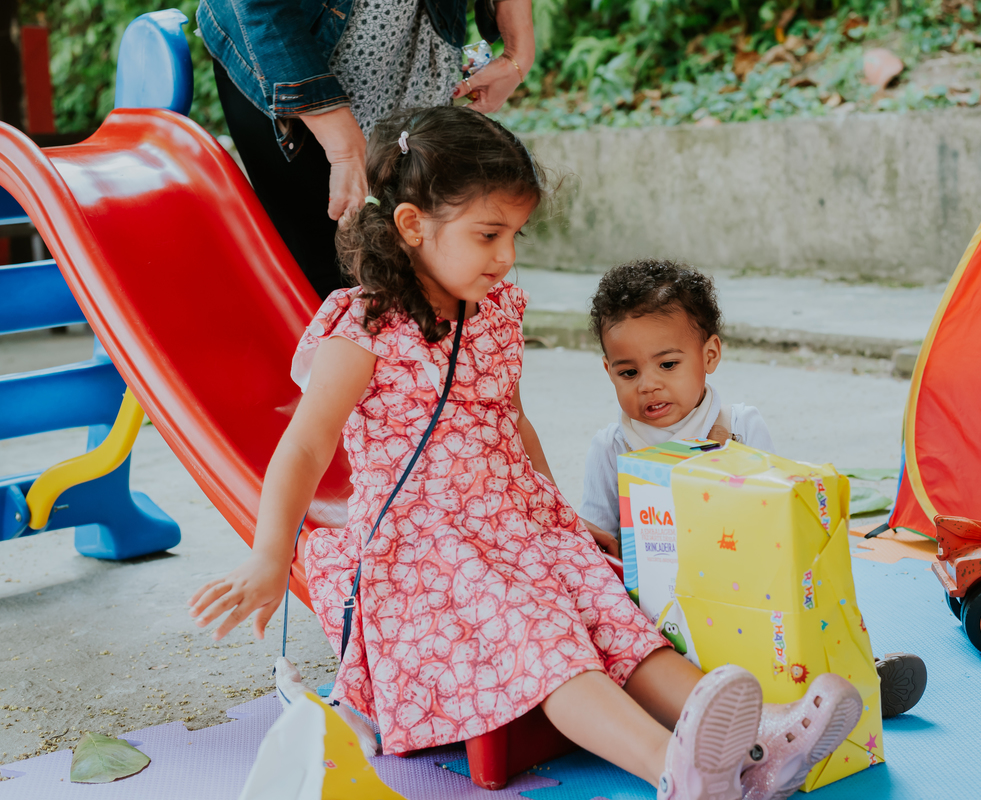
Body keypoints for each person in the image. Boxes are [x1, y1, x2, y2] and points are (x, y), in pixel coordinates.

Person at [186, 107, 861, 800]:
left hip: (516, 523)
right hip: (426, 552)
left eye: (514, 234)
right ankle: (675, 769)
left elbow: (512, 421)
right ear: (414, 226)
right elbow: (305, 444)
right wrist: (271, 555)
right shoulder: (364, 327)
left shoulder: (498, 309)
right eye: (488, 234)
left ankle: (762, 740)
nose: (506, 254)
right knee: (545, 644)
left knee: (613, 615)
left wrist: (557, 514)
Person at [580, 259, 929, 722]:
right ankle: (703, 707)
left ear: (709, 356)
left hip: (746, 591)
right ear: (608, 371)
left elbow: (778, 517)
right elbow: (595, 543)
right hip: (659, 613)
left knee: (808, 606)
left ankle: (857, 681)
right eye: (628, 373)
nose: (649, 384)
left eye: (667, 364)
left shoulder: (740, 427)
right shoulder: (612, 448)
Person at [197, 0, 534, 298]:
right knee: (334, 287)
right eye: (490, 234)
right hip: (290, 69)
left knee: (405, 289)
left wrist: (519, 51)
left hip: (419, 54)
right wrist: (344, 150)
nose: (509, 260)